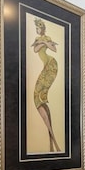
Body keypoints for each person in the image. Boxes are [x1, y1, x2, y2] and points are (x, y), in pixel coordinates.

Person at [31, 18, 61, 152]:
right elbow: (35, 50)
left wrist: (45, 42)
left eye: (39, 27)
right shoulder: (38, 40)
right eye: (37, 28)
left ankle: (53, 140)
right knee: (37, 98)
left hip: (51, 65)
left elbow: (53, 49)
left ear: (42, 28)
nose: (38, 29)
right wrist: (42, 42)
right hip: (46, 66)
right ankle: (53, 142)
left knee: (38, 96)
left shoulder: (46, 38)